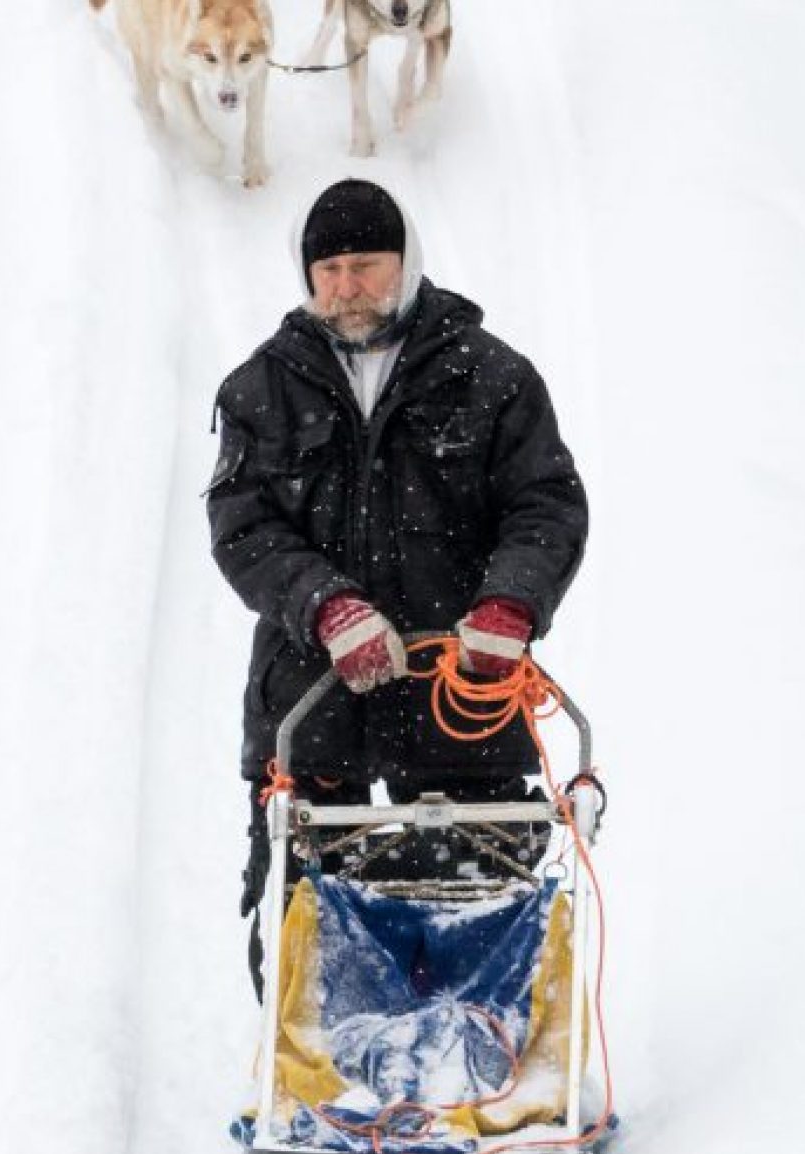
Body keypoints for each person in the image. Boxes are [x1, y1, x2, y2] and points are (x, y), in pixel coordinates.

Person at [207, 179, 589, 970]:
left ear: (406, 261)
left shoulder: (490, 376)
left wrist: (511, 603)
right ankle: (323, 1082)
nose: (347, 288)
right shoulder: (261, 389)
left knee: (486, 914)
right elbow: (242, 526)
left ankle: (499, 1076)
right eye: (330, 269)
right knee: (310, 931)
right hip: (312, 700)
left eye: (366, 264)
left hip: (462, 697)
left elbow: (545, 506)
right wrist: (325, 605)